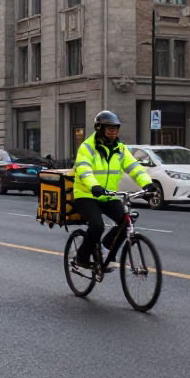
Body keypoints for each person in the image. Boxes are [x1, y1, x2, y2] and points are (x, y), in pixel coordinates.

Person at [72, 111, 157, 269]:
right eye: (108, 128)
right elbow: (83, 170)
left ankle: (106, 249)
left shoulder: (121, 149)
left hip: (108, 195)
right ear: (99, 128)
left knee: (127, 222)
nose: (112, 131)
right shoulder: (87, 147)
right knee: (97, 226)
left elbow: (134, 167)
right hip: (86, 194)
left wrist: (147, 184)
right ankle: (82, 258)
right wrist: (94, 186)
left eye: (115, 128)